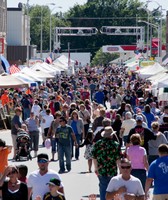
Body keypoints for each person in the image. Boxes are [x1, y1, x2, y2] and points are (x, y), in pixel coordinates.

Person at [92, 126, 121, 200]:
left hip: (101, 170)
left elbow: (94, 157)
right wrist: (120, 170)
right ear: (111, 135)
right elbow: (118, 159)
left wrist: (96, 168)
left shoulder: (98, 144)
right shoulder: (115, 144)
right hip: (112, 170)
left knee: (103, 188)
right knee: (112, 190)